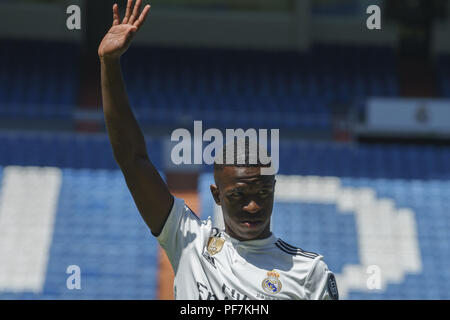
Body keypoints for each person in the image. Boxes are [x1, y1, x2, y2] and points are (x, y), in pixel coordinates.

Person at [98, 0, 338, 300]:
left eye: (262, 193)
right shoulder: (188, 240)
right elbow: (133, 159)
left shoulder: (309, 272)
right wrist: (109, 64)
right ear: (217, 196)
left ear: (274, 189)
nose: (253, 206)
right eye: (239, 195)